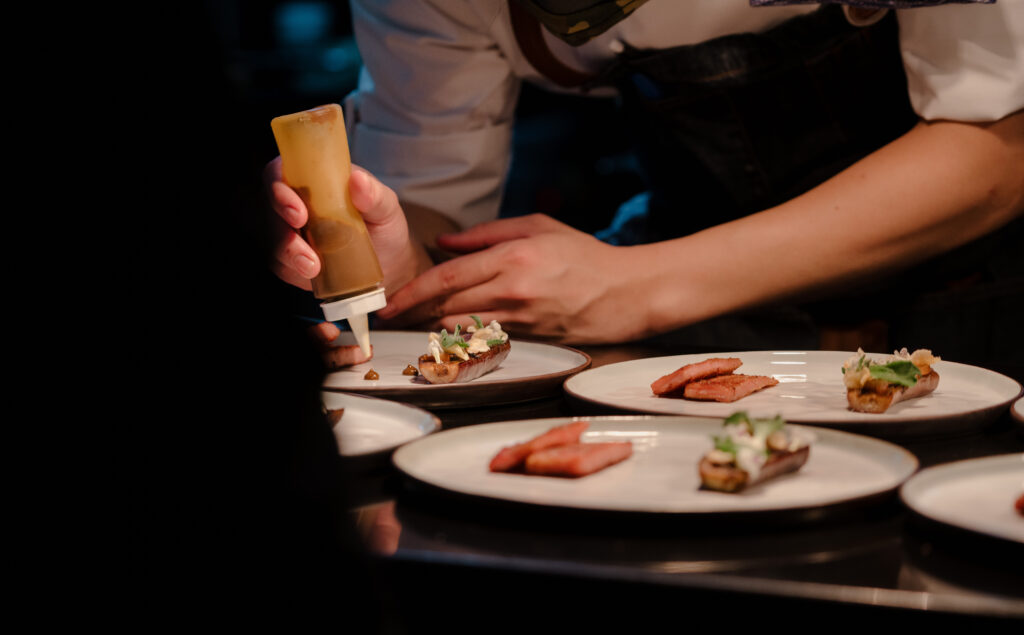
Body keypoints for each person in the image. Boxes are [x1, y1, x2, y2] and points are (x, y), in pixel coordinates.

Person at [268, 0, 1024, 368]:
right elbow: (430, 209)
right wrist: (393, 261)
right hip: (705, 332)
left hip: (974, 306)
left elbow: (1003, 144)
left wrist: (639, 285)